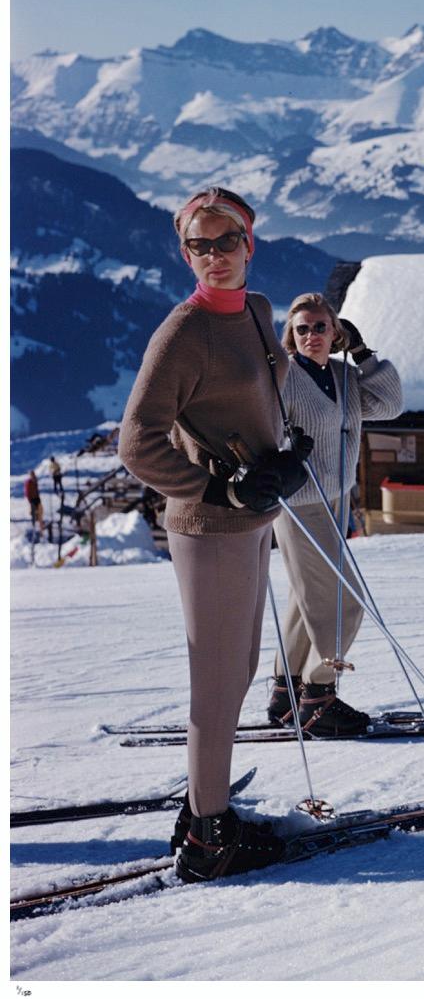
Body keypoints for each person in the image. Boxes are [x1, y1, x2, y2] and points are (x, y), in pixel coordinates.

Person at [118, 186, 311, 882]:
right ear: (183, 250)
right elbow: (136, 443)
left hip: (253, 517)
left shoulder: (259, 313)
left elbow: (259, 398)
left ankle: (207, 804)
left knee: (239, 667)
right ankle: (209, 837)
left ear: (249, 242)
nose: (212, 257)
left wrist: (280, 455)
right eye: (197, 245)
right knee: (217, 675)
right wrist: (214, 486)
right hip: (208, 525)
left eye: (224, 241)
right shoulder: (182, 331)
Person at [268, 292, 402, 736]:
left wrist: (364, 356)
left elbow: (389, 405)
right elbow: (257, 425)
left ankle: (287, 695)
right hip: (300, 502)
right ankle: (318, 697)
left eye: (320, 327)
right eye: (302, 328)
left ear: (335, 330)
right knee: (345, 603)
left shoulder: (344, 376)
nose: (311, 336)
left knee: (306, 601)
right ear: (290, 334)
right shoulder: (282, 378)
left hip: (334, 501)